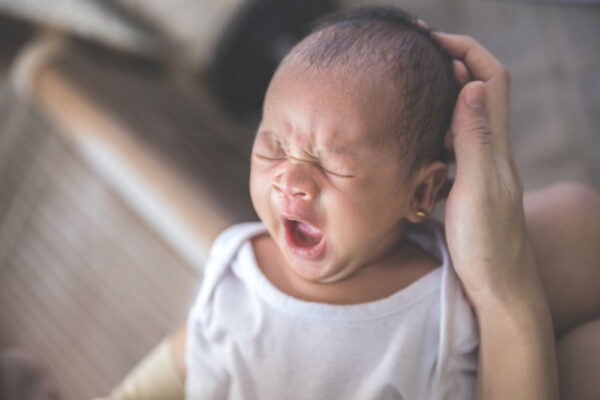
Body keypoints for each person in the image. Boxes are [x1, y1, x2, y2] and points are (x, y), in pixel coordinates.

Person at [96, 6, 600, 400]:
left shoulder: (442, 296)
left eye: (332, 164)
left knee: (581, 218)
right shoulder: (237, 271)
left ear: (422, 192)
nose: (290, 180)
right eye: (271, 146)